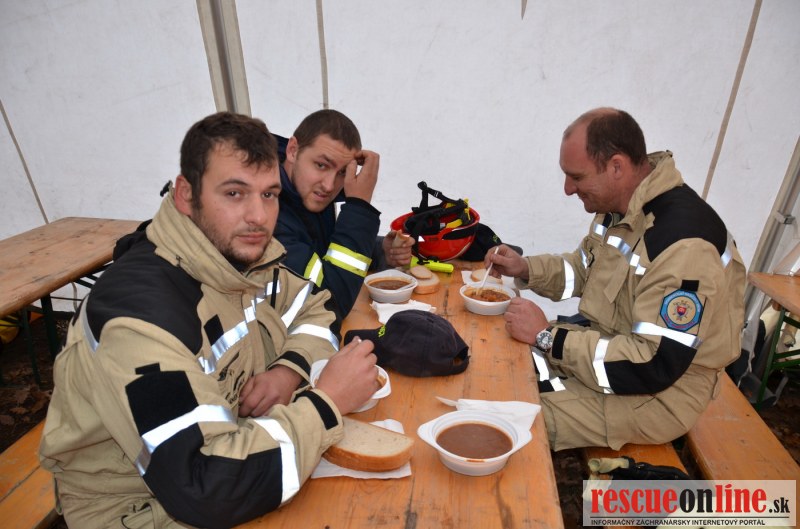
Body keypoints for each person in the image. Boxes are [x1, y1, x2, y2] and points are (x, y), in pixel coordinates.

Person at [39, 112, 381, 528]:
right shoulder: (140, 318)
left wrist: (289, 370)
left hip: (235, 452)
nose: (259, 216)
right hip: (138, 508)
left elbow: (317, 308)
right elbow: (207, 488)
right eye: (235, 193)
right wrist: (326, 403)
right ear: (186, 194)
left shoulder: (243, 258)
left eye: (269, 194)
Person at [486, 107, 746, 451]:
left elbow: (653, 365)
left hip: (659, 396)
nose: (567, 189)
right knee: (499, 365)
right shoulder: (620, 211)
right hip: (610, 353)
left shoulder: (682, 245)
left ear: (616, 167)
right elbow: (582, 270)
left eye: (576, 177)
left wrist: (547, 337)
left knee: (508, 419)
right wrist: (525, 269)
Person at [273, 109, 414, 319]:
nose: (329, 185)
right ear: (293, 150)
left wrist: (379, 251)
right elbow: (330, 303)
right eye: (321, 165)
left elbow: (322, 254)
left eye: (342, 173)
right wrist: (359, 208)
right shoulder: (265, 211)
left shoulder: (305, 192)